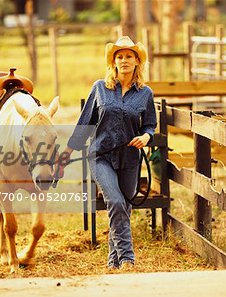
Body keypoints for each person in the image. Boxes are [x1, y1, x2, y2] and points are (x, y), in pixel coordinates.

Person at [59, 36, 157, 270]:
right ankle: (127, 258)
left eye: (128, 56)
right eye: (119, 56)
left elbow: (150, 125)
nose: (124, 60)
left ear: (137, 61)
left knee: (124, 205)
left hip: (130, 158)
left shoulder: (145, 93)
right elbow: (84, 124)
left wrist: (146, 137)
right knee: (114, 200)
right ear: (113, 62)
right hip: (101, 155)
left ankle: (113, 263)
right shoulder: (100, 88)